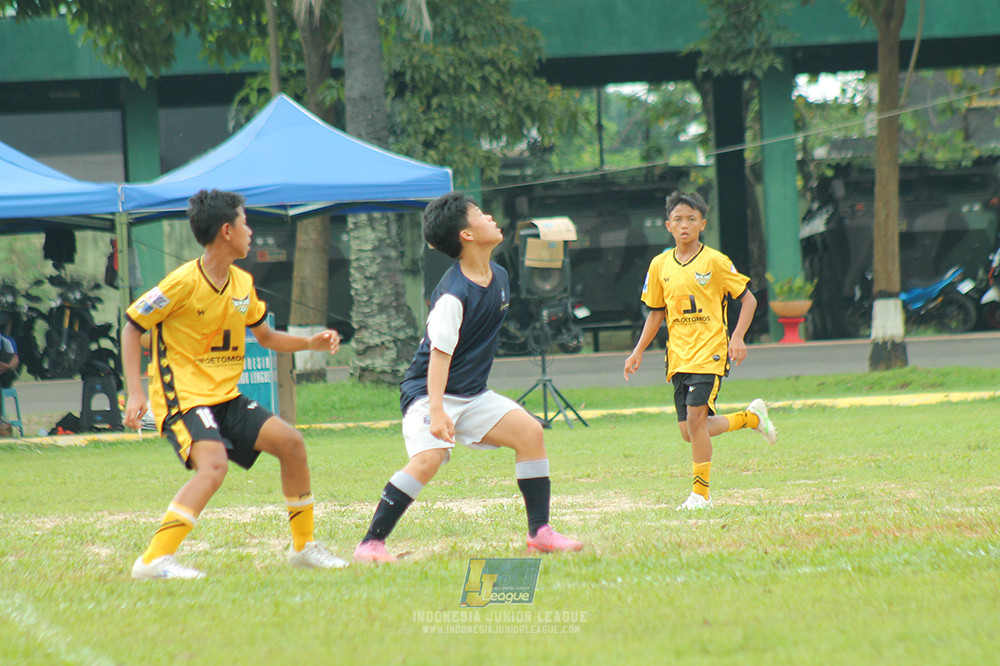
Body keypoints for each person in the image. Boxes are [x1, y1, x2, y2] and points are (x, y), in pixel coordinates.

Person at [122, 188, 348, 579]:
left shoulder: (242, 282)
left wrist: (310, 342)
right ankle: (153, 560)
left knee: (292, 444)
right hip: (185, 399)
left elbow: (268, 338)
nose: (252, 231)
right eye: (246, 223)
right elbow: (132, 327)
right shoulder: (180, 284)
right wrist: (136, 391)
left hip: (225, 397)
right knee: (213, 467)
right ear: (227, 230)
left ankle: (304, 547)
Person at [353, 191, 584, 562]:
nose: (489, 216)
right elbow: (438, 360)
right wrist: (440, 412)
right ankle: (370, 544)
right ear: (467, 234)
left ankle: (539, 532)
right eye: (478, 213)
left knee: (530, 433)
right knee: (430, 459)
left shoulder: (501, 276)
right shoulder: (452, 296)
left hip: (472, 394)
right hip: (429, 394)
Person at [623, 191, 776, 511]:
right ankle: (751, 418)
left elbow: (748, 299)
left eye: (691, 219)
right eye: (678, 219)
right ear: (667, 225)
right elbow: (655, 313)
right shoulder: (659, 265)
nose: (684, 225)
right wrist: (637, 351)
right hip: (678, 356)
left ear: (702, 224)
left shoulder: (716, 262)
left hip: (711, 352)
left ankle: (701, 495)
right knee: (691, 431)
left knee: (695, 419)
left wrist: (738, 337)